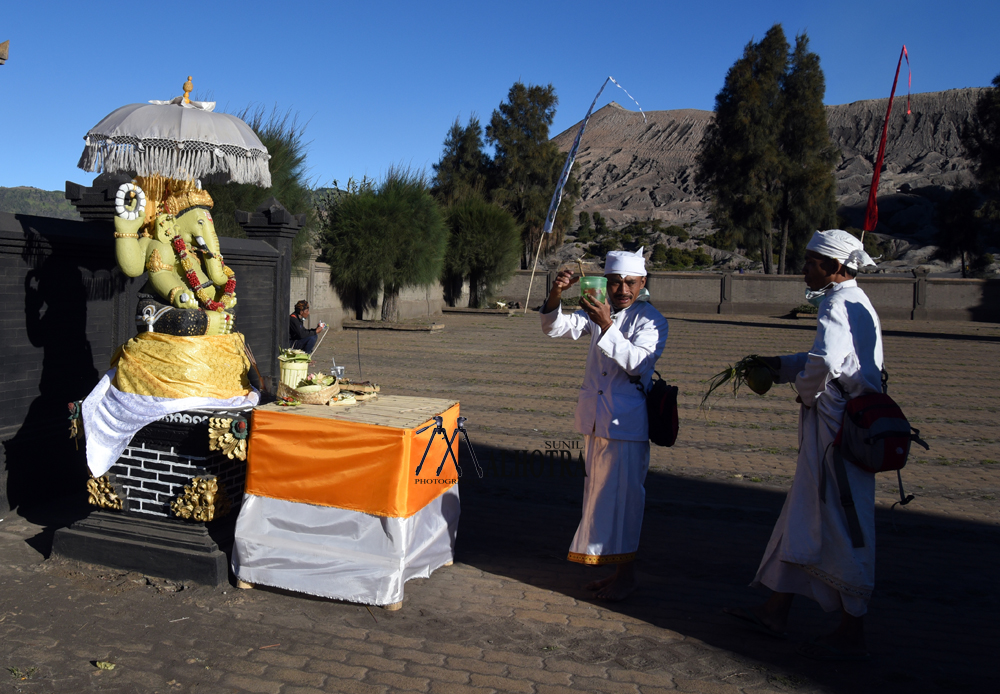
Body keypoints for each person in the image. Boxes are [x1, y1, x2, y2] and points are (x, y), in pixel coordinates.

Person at [725, 229, 882, 661]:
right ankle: (776, 610)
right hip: (845, 424)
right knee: (804, 514)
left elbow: (829, 363)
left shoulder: (835, 301)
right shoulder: (858, 301)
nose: (804, 268)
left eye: (812, 262)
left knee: (842, 521)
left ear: (836, 268)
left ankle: (853, 626)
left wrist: (807, 391)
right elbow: (834, 358)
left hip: (837, 431)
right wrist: (779, 367)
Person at [540, 248, 668, 601]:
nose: (622, 289)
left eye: (630, 283)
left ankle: (627, 576)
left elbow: (638, 364)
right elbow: (556, 329)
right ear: (606, 284)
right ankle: (617, 572)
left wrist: (607, 325)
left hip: (626, 425)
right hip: (596, 421)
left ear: (643, 283)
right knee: (600, 498)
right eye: (615, 283)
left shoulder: (651, 320)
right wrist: (556, 295)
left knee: (625, 501)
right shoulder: (597, 311)